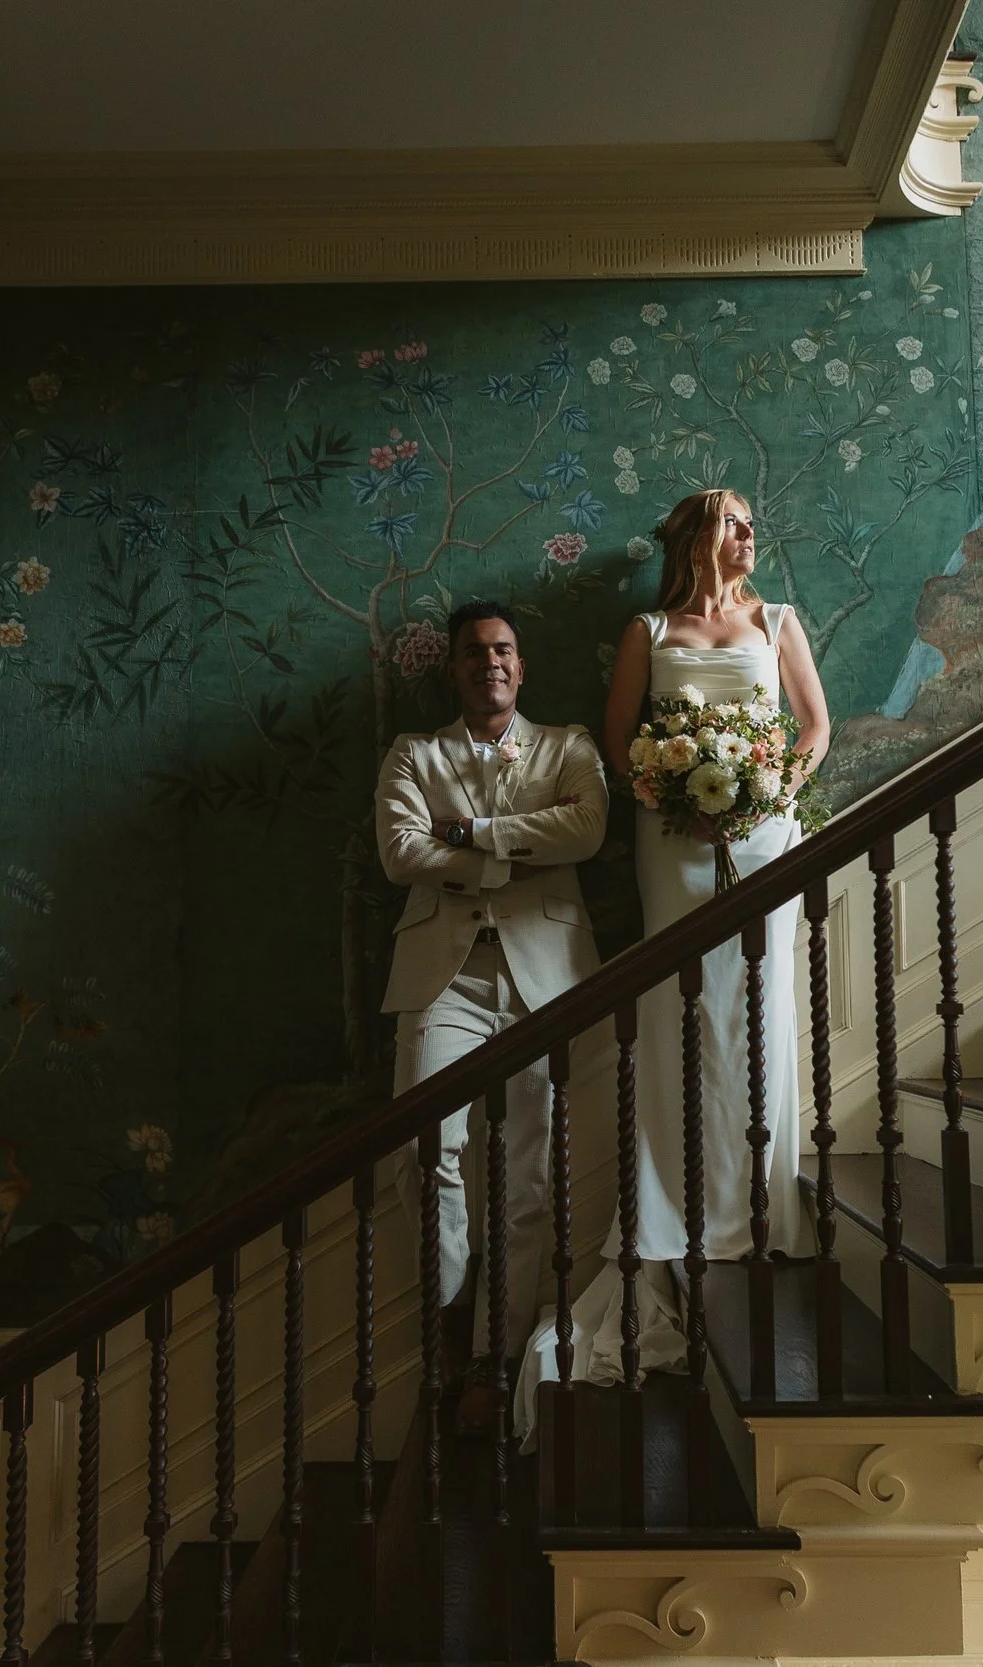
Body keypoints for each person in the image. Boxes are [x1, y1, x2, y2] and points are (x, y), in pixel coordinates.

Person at [518, 487, 832, 1432]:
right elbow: (622, 744)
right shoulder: (648, 631)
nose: (747, 534)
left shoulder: (779, 620)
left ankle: (760, 1205)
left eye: (750, 522)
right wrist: (676, 797)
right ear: (695, 536)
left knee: (759, 1007)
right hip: (675, 841)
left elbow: (814, 729)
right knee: (680, 1011)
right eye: (732, 521)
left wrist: (765, 792)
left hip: (764, 835)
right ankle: (680, 1203)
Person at [376, 599, 610, 1432]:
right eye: (475, 652)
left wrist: (474, 831)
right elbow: (401, 850)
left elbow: (585, 829)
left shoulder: (568, 746)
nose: (491, 663)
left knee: (525, 1175)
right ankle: (451, 1307)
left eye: (503, 649)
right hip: (443, 978)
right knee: (421, 1147)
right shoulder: (415, 753)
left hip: (545, 978)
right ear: (455, 668)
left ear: (522, 664)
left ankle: (490, 1356)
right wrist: (507, 862)